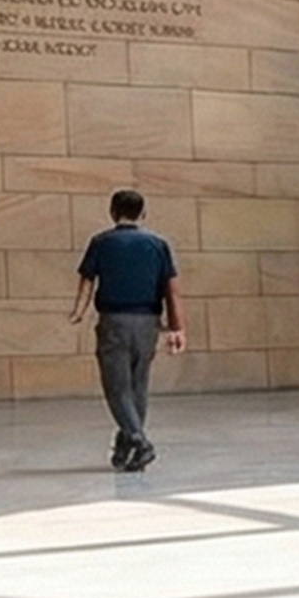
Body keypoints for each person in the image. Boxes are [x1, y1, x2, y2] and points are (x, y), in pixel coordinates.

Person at [68, 188, 184, 470]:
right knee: (138, 385)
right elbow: (171, 289)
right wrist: (177, 327)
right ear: (143, 214)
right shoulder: (158, 244)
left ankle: (138, 441)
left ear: (112, 212)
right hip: (148, 323)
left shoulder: (101, 242)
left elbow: (87, 281)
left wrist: (79, 311)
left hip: (114, 321)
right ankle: (126, 446)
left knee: (117, 387)